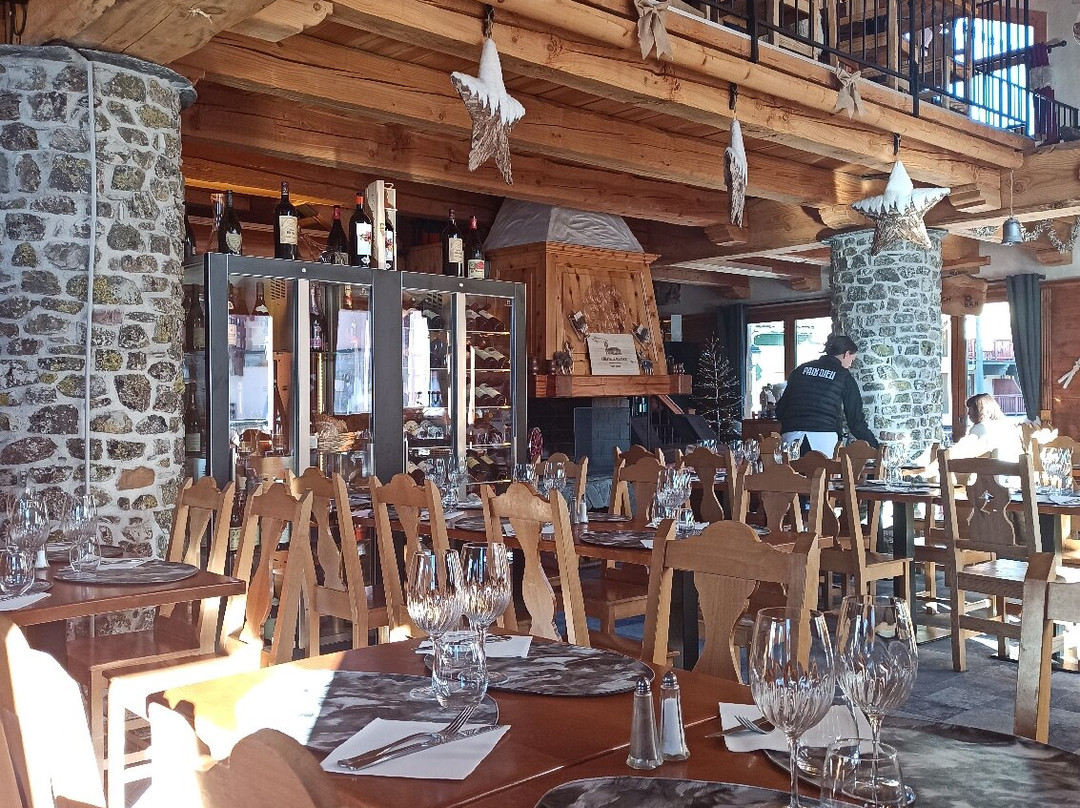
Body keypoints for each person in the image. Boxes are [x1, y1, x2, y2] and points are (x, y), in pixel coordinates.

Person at [775, 333, 878, 457]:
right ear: (846, 354)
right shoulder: (843, 376)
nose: (851, 364)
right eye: (852, 359)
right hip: (824, 438)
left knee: (791, 470)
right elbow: (855, 420)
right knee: (824, 469)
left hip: (791, 437)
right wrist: (874, 447)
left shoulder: (801, 369)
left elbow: (780, 409)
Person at [950, 393, 1022, 461]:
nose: (968, 414)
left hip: (995, 469)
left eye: (970, 410)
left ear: (979, 411)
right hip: (1014, 467)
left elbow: (959, 452)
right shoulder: (1008, 425)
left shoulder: (980, 428)